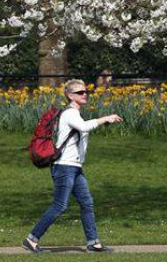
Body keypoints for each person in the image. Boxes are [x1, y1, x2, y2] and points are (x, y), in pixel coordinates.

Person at [23, 79, 123, 253]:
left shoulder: (75, 113)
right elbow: (84, 127)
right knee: (60, 206)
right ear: (70, 95)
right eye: (80, 92)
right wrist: (105, 118)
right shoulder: (70, 113)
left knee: (87, 203)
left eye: (85, 92)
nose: (85, 95)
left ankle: (93, 243)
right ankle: (31, 239)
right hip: (64, 167)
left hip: (74, 167)